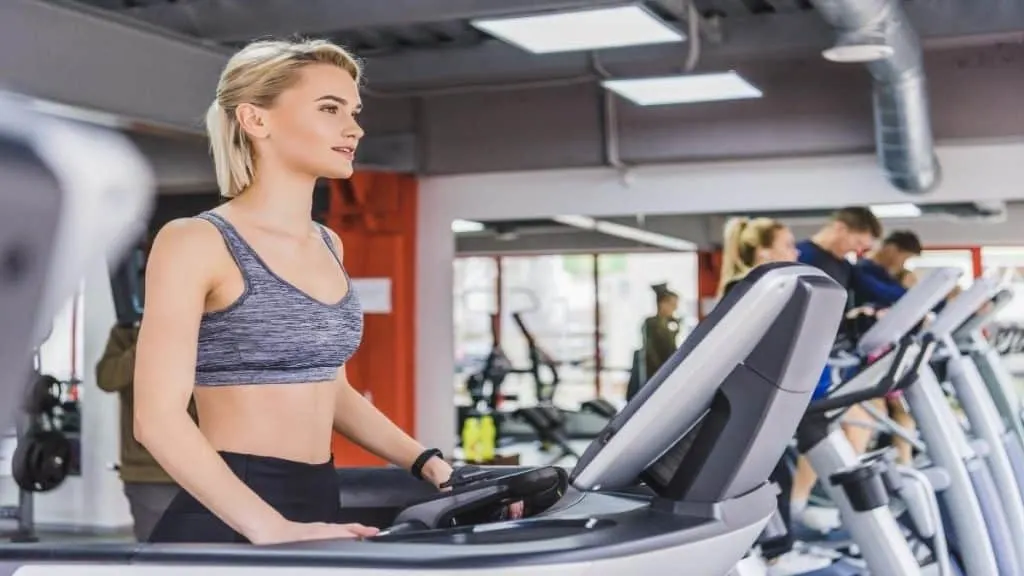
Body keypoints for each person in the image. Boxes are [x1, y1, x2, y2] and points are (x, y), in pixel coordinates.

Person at [133, 38, 519, 546]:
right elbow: (156, 420)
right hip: (234, 512)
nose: (354, 127)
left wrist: (430, 464)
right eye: (329, 108)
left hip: (318, 499)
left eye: (354, 111)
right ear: (256, 120)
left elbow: (329, 387)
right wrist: (269, 527)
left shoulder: (327, 242)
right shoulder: (195, 240)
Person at [96, 322, 198, 541]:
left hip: (200, 468)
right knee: (157, 554)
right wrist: (146, 343)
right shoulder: (127, 331)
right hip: (148, 472)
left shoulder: (204, 326)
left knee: (201, 554)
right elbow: (107, 379)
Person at [642, 284, 680, 380]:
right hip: (657, 371)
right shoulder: (651, 323)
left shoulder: (671, 322)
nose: (675, 308)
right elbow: (651, 350)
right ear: (662, 304)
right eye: (672, 304)